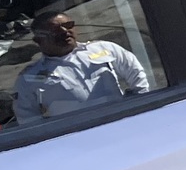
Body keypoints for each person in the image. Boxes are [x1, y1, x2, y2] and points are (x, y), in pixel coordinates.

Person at [14, 11, 150, 122]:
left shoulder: (103, 48)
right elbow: (27, 117)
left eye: (69, 25)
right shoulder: (29, 77)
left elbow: (135, 71)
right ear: (38, 40)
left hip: (121, 120)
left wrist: (139, 103)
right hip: (78, 135)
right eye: (54, 30)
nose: (64, 31)